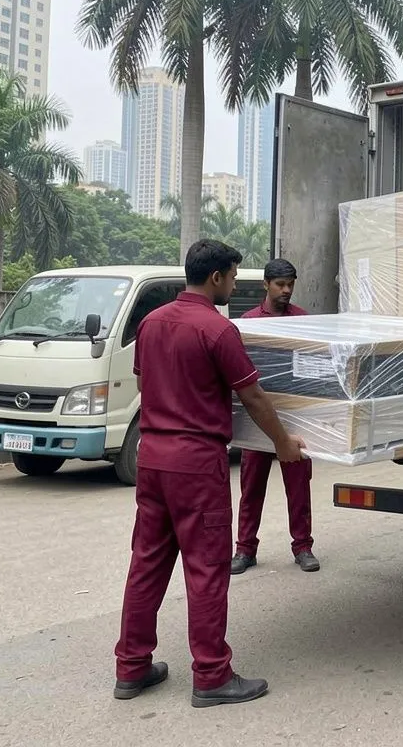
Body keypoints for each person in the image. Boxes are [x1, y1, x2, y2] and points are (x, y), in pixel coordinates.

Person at [114, 240, 306, 708]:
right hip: (196, 464)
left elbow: (145, 382)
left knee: (146, 565)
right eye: (234, 276)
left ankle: (132, 668)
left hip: (152, 459)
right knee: (206, 569)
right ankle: (212, 676)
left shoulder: (152, 323)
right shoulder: (218, 331)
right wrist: (283, 444)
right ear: (217, 276)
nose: (236, 284)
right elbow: (255, 397)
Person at [231, 258, 320, 575]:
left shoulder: (303, 320)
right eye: (280, 285)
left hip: (293, 417)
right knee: (251, 487)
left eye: (290, 285)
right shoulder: (248, 322)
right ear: (265, 285)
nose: (286, 290)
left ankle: (303, 547)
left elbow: (311, 370)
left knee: (298, 485)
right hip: (259, 416)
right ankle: (244, 550)